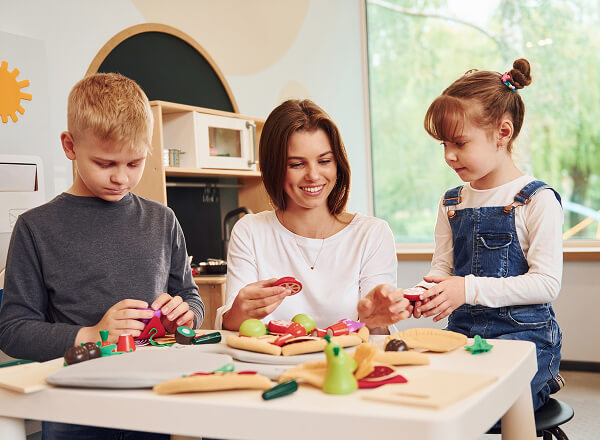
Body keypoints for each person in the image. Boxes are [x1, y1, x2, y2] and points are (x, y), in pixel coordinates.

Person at [0, 73, 203, 439]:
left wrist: (186, 314)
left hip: (152, 403)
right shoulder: (36, 228)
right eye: (106, 163)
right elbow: (12, 331)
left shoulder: (163, 220)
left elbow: (190, 297)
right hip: (72, 410)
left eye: (134, 163)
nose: (121, 178)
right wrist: (91, 334)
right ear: (70, 145)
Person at [408, 58, 563, 411]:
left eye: (459, 143)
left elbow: (546, 284)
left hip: (525, 341)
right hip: (462, 334)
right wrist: (423, 293)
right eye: (443, 144)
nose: (449, 155)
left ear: (503, 132)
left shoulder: (536, 200)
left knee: (479, 404)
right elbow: (442, 269)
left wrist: (467, 288)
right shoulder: (451, 201)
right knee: (420, 396)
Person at [216, 99, 410, 333]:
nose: (313, 175)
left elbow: (377, 334)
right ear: (274, 168)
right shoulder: (250, 231)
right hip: (270, 366)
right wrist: (236, 314)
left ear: (338, 163)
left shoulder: (372, 234)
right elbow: (236, 328)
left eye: (324, 161)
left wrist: (375, 320)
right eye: (297, 164)